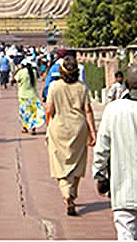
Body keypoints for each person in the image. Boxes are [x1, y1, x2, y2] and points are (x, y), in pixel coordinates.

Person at [93, 61, 137, 240]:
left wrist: (99, 174)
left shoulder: (114, 110)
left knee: (126, 235)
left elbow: (102, 147)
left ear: (126, 84)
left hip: (125, 187)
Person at [46, 55, 96, 216]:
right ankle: (73, 191)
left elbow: (49, 110)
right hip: (79, 128)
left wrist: (49, 125)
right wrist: (93, 132)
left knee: (60, 164)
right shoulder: (82, 88)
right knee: (77, 161)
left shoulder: (54, 86)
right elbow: (88, 111)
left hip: (59, 127)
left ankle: (67, 194)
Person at [14, 59, 46, 135]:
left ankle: (25, 128)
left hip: (23, 95)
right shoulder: (34, 72)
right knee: (33, 112)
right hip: (33, 95)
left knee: (25, 112)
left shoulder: (21, 72)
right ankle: (33, 128)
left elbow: (14, 79)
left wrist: (17, 70)